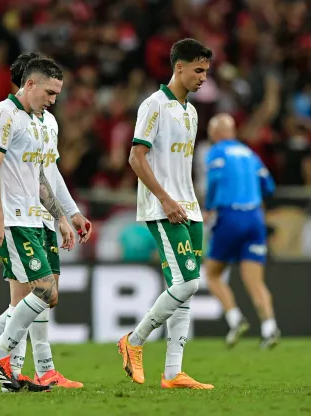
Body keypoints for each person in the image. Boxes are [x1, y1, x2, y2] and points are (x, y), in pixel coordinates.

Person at [0, 53, 92, 390]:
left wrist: (64, 214)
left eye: (57, 94)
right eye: (49, 93)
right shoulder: (3, 115)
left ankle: (5, 367)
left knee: (29, 301)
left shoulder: (44, 122)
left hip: (38, 216)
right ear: (29, 84)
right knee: (43, 292)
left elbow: (44, 174)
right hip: (14, 219)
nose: (53, 100)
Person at [117, 38, 214, 389]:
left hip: (189, 206)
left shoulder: (191, 112)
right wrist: (166, 199)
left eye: (206, 70)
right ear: (179, 67)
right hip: (164, 207)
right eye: (199, 70)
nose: (204, 77)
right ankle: (135, 340)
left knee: (183, 289)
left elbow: (180, 166)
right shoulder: (154, 106)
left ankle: (173, 372)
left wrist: (191, 201)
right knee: (189, 282)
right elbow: (135, 157)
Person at [203, 113, 281, 349]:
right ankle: (270, 328)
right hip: (255, 217)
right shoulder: (251, 154)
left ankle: (235, 319)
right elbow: (269, 186)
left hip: (230, 216)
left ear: (216, 133)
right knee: (254, 280)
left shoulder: (216, 152)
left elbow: (214, 181)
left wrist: (208, 208)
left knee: (213, 273)